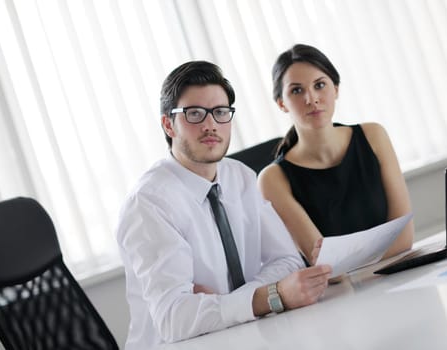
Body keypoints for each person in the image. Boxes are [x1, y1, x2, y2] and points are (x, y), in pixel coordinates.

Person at [116, 60, 332, 349]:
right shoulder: (148, 204)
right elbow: (173, 319)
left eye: (220, 112)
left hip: (243, 337)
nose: (210, 125)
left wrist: (228, 302)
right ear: (168, 124)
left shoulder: (239, 176)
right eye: (194, 114)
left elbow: (287, 260)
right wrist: (267, 297)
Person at [258, 44, 414, 265]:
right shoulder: (272, 179)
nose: (311, 99)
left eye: (319, 85)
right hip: (344, 295)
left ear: (336, 89)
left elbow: (404, 237)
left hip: (400, 273)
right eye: (296, 90)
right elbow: (326, 264)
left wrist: (353, 263)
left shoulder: (373, 136)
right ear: (282, 104)